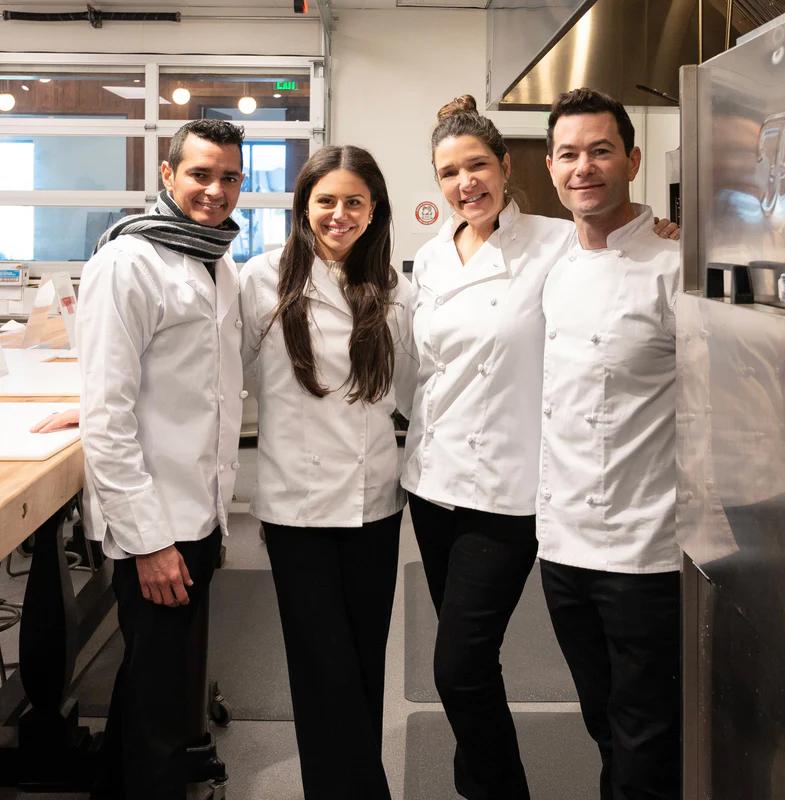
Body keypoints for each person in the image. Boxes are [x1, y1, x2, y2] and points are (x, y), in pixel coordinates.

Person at [401, 96, 576, 800]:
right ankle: (478, 782)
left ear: (505, 166)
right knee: (470, 661)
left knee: (458, 667)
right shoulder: (434, 258)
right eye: (449, 172)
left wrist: (661, 233)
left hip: (508, 489)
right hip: (433, 485)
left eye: (477, 165)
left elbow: (620, 260)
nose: (465, 183)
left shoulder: (555, 244)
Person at [238, 145, 416, 800]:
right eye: (326, 201)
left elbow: (415, 393)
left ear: (374, 211)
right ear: (303, 206)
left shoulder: (396, 289)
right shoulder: (260, 281)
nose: (339, 214)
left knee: (365, 668)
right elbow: (223, 379)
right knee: (325, 671)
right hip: (296, 511)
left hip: (375, 505)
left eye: (354, 202)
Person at [76, 118, 245, 800]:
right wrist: (147, 543)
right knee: (159, 686)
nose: (215, 189)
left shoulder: (214, 259)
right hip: (158, 518)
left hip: (199, 509)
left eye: (229, 176)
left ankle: (126, 781)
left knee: (155, 676)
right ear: (168, 176)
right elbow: (109, 416)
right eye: (200, 174)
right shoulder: (129, 262)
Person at [537, 88, 681, 800]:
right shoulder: (557, 263)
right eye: (568, 154)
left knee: (646, 733)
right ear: (551, 166)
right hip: (562, 548)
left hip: (644, 551)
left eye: (600, 151)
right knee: (601, 721)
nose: (583, 167)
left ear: (632, 158)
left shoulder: (673, 264)